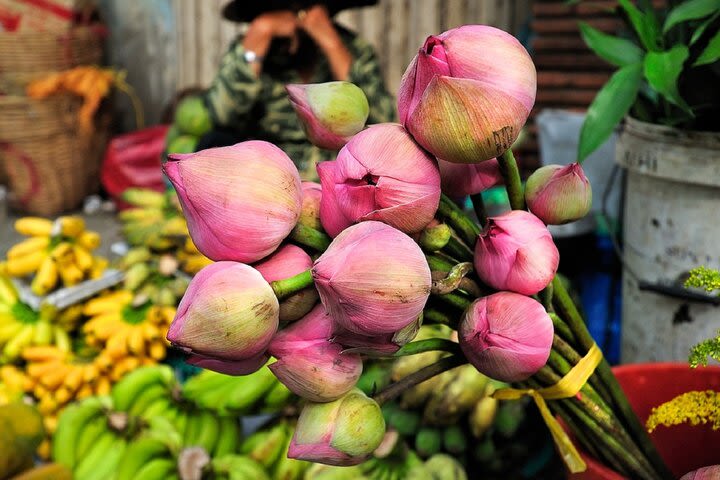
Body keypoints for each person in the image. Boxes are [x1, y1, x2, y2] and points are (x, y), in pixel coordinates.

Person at [201, 0, 396, 180]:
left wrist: (331, 43)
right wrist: (259, 34)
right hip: (270, 178)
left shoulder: (352, 48)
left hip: (343, 177)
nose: (296, 17)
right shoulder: (251, 47)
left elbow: (385, 121)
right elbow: (221, 115)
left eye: (303, 7)